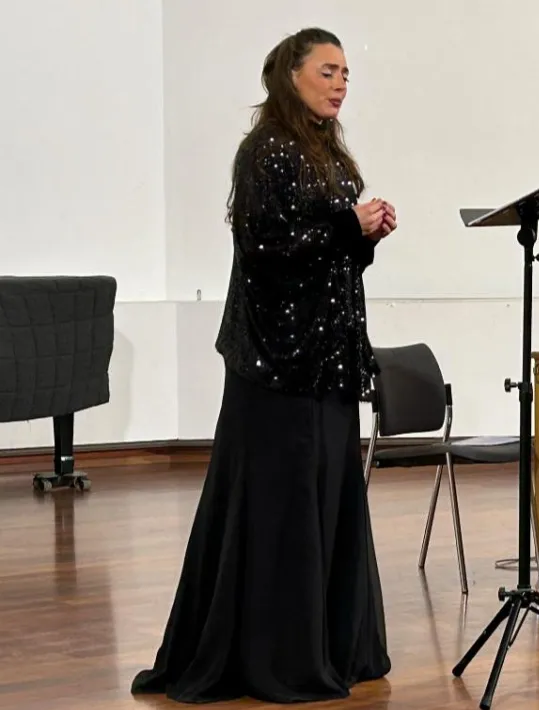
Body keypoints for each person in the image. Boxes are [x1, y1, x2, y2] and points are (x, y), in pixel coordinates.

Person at [131, 28, 394, 704]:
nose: (340, 83)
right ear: (292, 76)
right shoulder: (268, 149)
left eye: (345, 74)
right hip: (277, 360)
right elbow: (267, 245)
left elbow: (329, 252)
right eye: (328, 71)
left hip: (327, 354)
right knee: (281, 503)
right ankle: (275, 654)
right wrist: (346, 228)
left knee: (327, 494)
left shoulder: (330, 153)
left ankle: (333, 645)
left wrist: (366, 233)